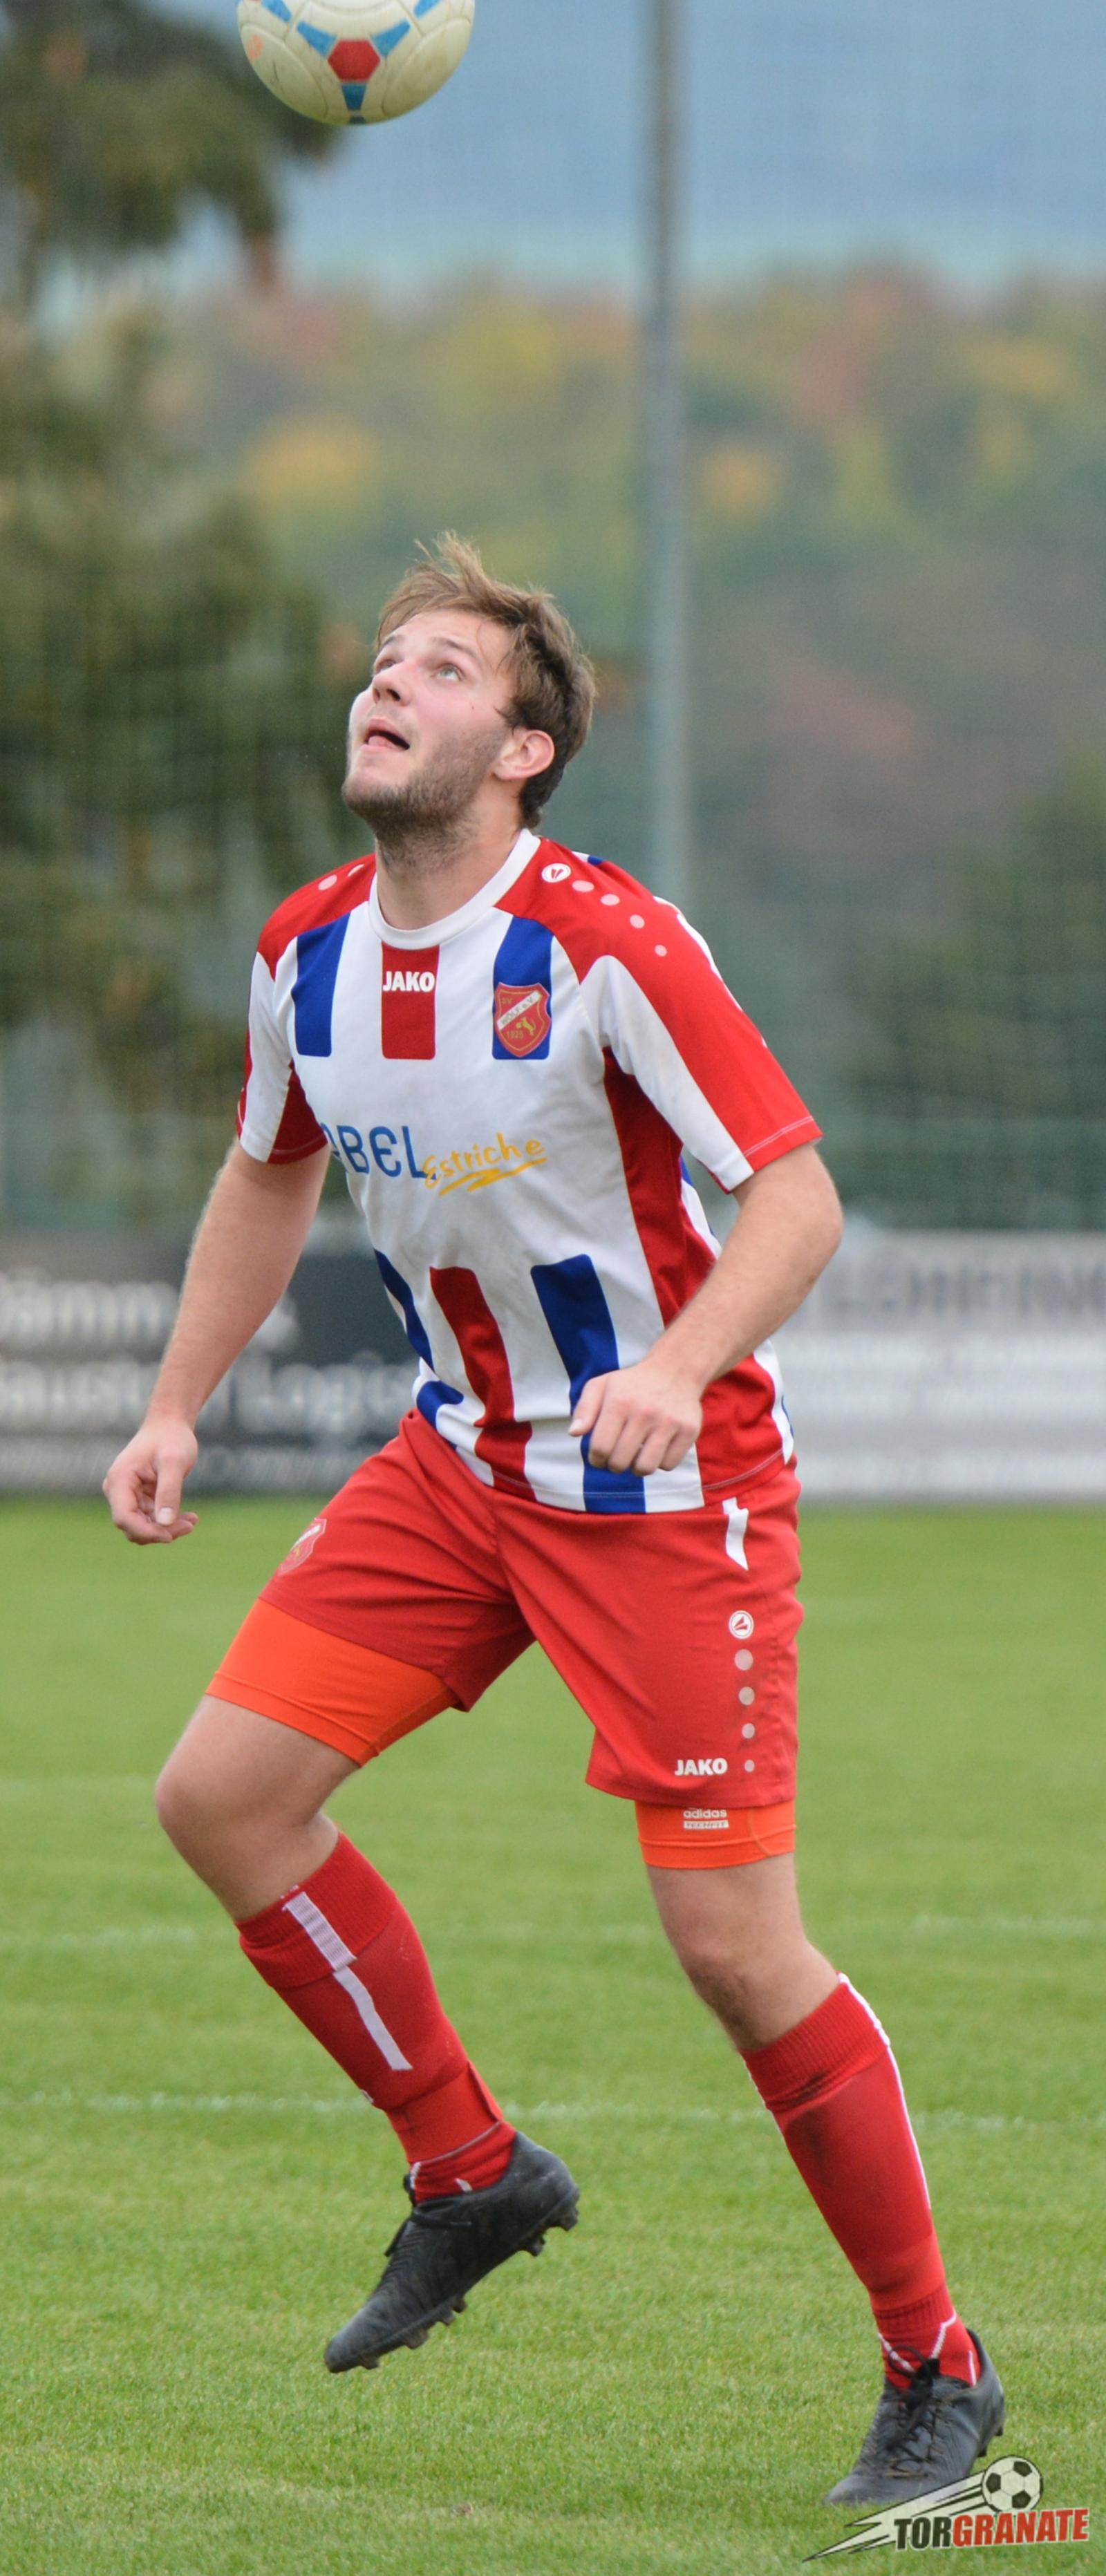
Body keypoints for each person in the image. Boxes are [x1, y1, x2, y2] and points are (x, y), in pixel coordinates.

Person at [103, 536, 1003, 2508]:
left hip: (667, 1497)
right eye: (382, 657)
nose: (387, 682)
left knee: (734, 1949)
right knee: (223, 1799)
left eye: (440, 668)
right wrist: (175, 1404)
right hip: (458, 1472)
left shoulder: (610, 943)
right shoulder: (306, 952)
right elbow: (265, 1177)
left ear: (523, 749)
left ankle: (938, 2368)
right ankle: (470, 2170)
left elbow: (795, 1200)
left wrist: (677, 1363)